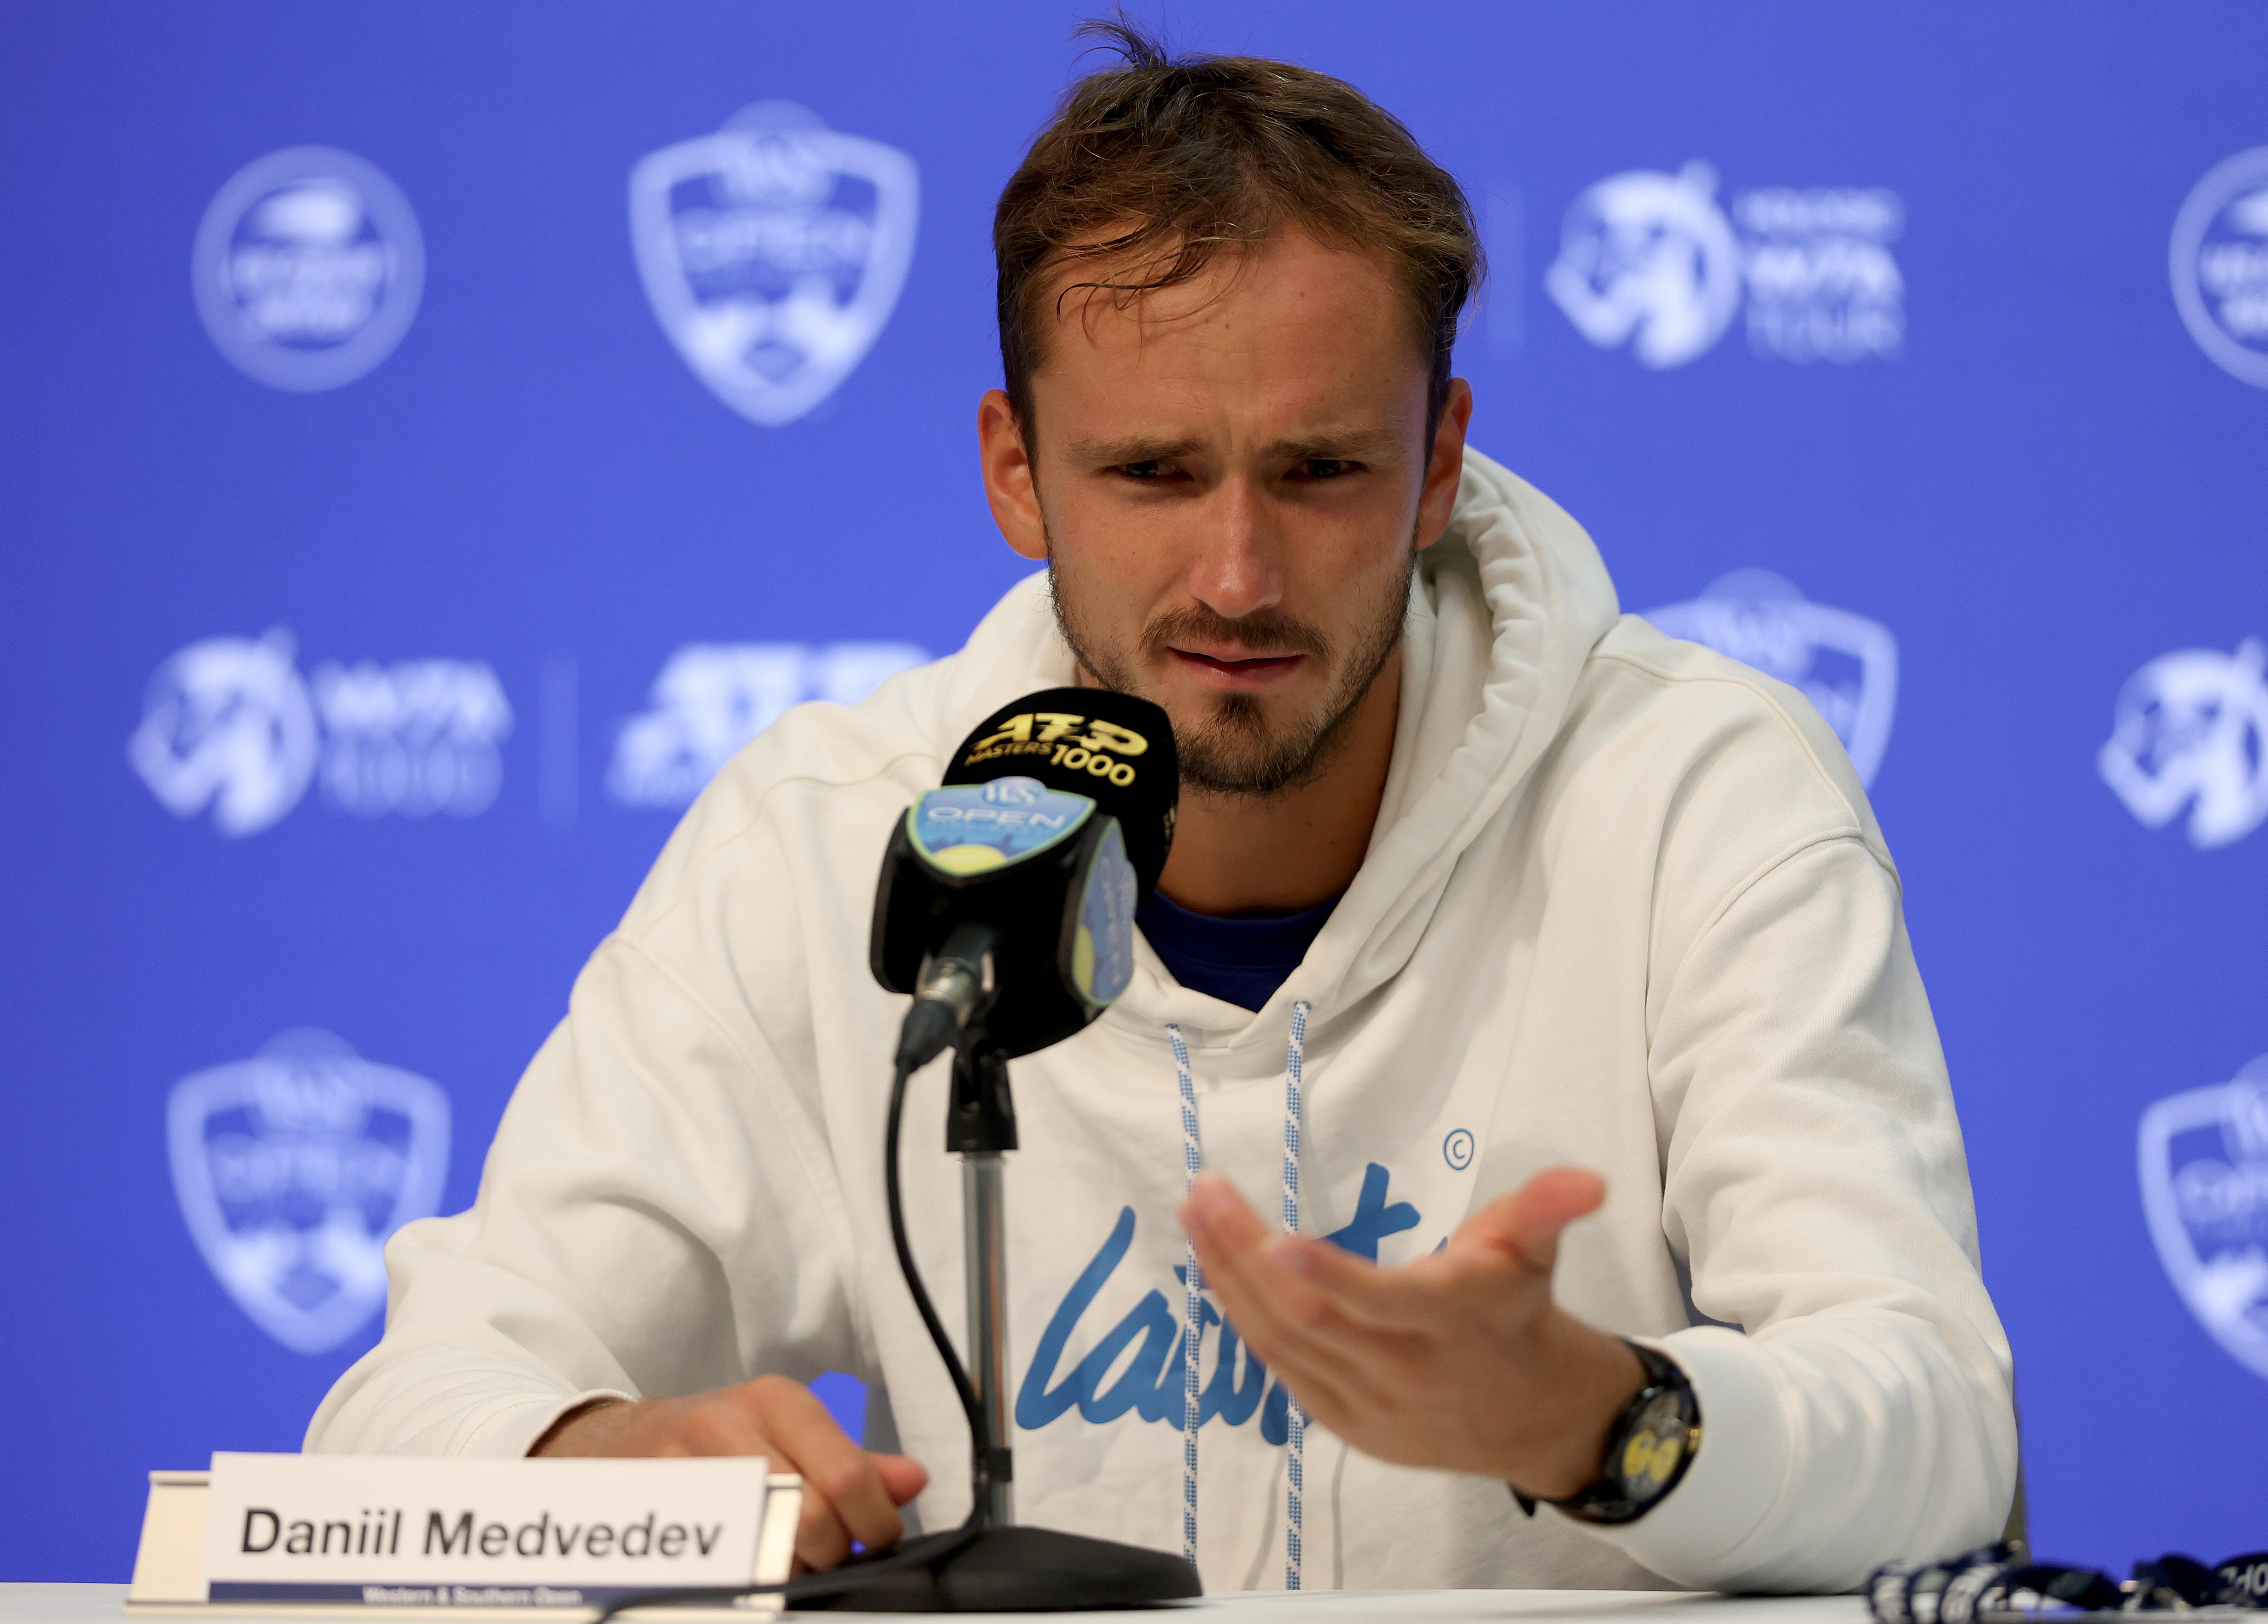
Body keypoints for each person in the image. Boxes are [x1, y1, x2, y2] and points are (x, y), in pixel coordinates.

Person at [308, 23, 2017, 1594]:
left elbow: (1943, 1439)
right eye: (1152, 473)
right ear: (1013, 469)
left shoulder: (1693, 796)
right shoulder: (832, 837)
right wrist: (585, 1456)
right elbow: (401, 1413)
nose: (1237, 576)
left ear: (1437, 465)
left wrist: (1601, 1415)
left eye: (1321, 469)